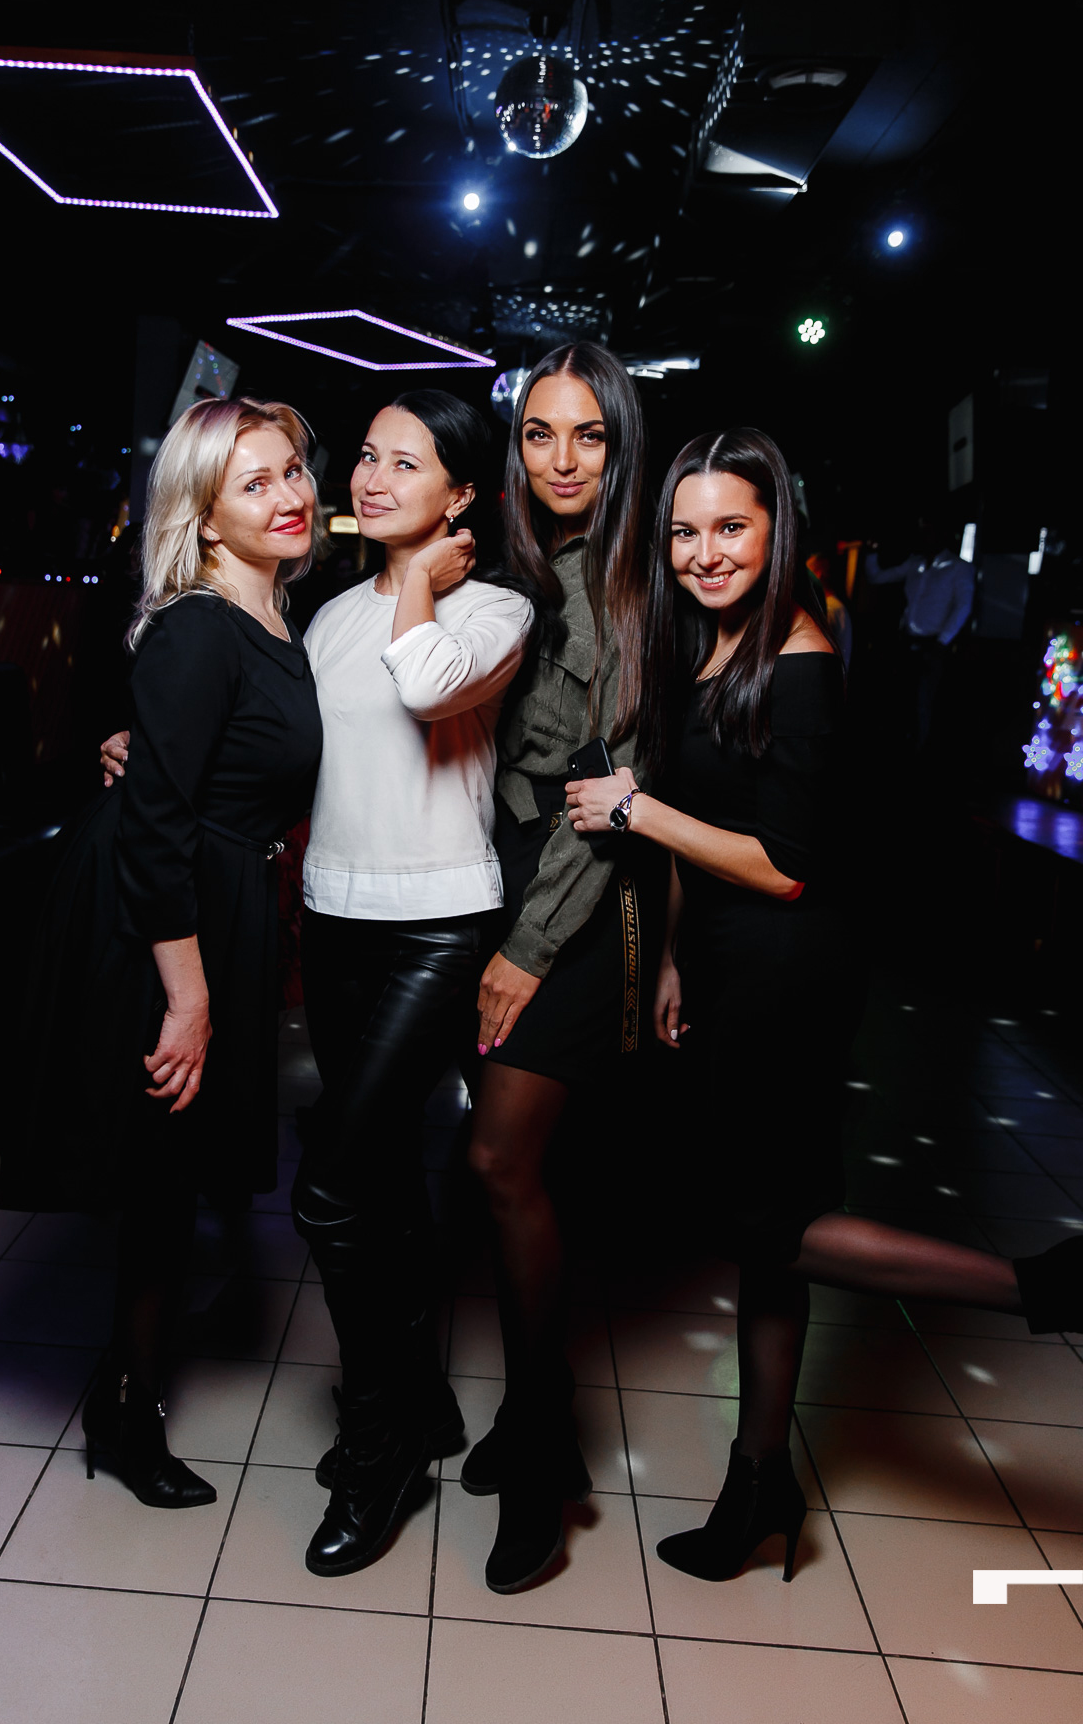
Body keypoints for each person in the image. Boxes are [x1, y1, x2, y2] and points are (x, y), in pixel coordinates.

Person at [566, 426, 1083, 1584]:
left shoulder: (796, 660)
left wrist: (632, 808)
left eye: (730, 528)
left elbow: (784, 864)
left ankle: (1040, 1285)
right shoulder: (711, 642)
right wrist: (672, 956)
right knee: (770, 1241)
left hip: (788, 969)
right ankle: (759, 1481)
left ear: (776, 530)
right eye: (684, 531)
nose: (703, 553)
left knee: (761, 1224)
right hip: (731, 957)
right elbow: (716, 830)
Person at [0, 396, 323, 1511]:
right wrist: (189, 997)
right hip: (155, 921)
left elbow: (195, 766)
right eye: (254, 483)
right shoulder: (201, 625)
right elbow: (157, 828)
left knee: (158, 1182)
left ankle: (126, 1409)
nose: (288, 496)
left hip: (208, 902)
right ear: (203, 513)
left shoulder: (275, 614)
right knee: (71, 1166)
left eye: (292, 470)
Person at [103, 390, 534, 1576]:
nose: (370, 477)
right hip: (336, 922)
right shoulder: (322, 612)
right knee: (381, 1181)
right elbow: (275, 745)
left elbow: (425, 686)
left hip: (438, 923)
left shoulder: (493, 607)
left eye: (409, 463)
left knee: (333, 1190)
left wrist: (420, 580)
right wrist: (150, 751)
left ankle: (379, 1439)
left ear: (461, 496)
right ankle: (418, 1399)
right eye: (367, 456)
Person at [463, 341, 659, 1595]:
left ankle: (542, 1453)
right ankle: (529, 1418)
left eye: (587, 434)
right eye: (540, 433)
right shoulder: (504, 562)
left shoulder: (635, 584)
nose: (562, 459)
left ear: (620, 444)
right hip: (492, 863)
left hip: (576, 889)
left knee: (502, 1162)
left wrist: (525, 951)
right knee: (507, 1171)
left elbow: (607, 798)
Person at [866, 527, 973, 747]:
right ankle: (899, 742)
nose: (927, 538)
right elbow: (877, 577)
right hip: (907, 640)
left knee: (924, 700)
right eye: (924, 533)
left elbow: (963, 606)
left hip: (933, 645)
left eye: (931, 532)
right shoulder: (916, 563)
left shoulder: (958, 567)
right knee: (901, 695)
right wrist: (871, 552)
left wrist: (942, 641)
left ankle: (920, 749)